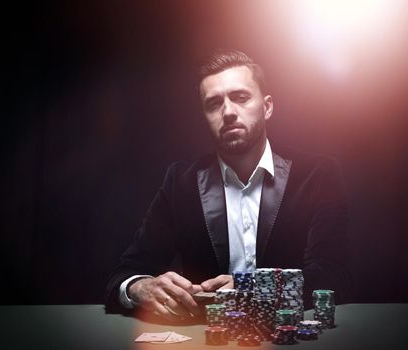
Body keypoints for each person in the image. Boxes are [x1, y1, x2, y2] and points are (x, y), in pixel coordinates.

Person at [105, 50, 351, 320]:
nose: (228, 112)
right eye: (213, 104)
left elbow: (332, 273)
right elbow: (126, 273)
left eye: (241, 97)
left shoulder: (317, 174)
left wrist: (252, 290)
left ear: (267, 106)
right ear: (204, 116)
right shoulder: (180, 182)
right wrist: (140, 287)